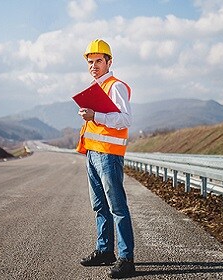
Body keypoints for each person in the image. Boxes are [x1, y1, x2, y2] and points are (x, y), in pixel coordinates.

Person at [76, 39, 135, 279]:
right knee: (99, 205)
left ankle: (126, 259)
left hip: (109, 156)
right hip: (93, 153)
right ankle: (104, 251)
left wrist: (96, 115)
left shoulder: (115, 86)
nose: (94, 65)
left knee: (117, 207)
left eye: (98, 61)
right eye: (90, 62)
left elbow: (125, 120)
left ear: (109, 62)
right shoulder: (95, 88)